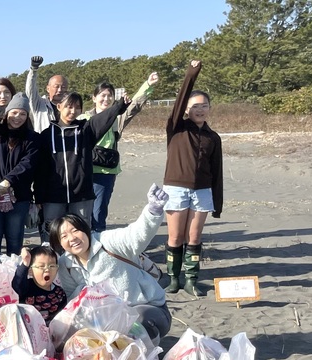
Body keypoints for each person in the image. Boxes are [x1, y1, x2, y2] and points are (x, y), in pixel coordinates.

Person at [51, 184, 172, 342]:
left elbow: (135, 235)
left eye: (75, 230)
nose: (72, 238)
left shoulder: (107, 242)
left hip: (145, 308)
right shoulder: (65, 264)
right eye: (64, 236)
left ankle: (146, 356)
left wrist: (152, 211)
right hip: (104, 319)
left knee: (134, 326)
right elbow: (71, 300)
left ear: (85, 230)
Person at [163, 60, 223, 297]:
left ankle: (191, 280)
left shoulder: (213, 137)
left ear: (209, 108)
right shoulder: (177, 127)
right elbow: (180, 100)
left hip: (202, 191)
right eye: (195, 106)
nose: (200, 109)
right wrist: (191, 73)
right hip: (176, 189)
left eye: (204, 106)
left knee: (194, 236)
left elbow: (217, 173)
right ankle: (173, 280)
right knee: (176, 236)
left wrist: (217, 204)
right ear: (187, 109)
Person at [35, 91, 129, 238]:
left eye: (77, 107)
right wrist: (39, 197)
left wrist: (120, 105)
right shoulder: (46, 136)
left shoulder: (85, 130)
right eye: (69, 107)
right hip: (52, 197)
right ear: (59, 106)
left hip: (82, 196)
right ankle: (53, 261)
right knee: (52, 237)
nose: (73, 111)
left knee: (81, 236)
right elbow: (40, 170)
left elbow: (103, 119)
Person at [81, 73, 160, 231]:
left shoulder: (117, 118)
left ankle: (98, 246)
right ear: (94, 97)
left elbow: (134, 105)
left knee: (98, 214)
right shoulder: (83, 118)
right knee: (81, 215)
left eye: (110, 96)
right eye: (102, 95)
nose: (106, 99)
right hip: (83, 172)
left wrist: (148, 85)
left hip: (105, 172)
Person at [0, 83, 39, 256]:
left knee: (15, 238)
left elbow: (28, 163)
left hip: (19, 196)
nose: (17, 117)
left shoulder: (32, 138)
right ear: (7, 112)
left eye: (22, 114)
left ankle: (13, 276)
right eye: (14, 112)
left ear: (27, 116)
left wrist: (8, 180)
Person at [13, 246, 67, 322]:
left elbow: (63, 315)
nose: (47, 269)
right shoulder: (27, 287)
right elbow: (17, 284)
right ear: (30, 271)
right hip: (28, 327)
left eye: (52, 266)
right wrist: (25, 264)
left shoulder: (59, 293)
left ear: (57, 269)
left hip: (51, 329)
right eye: (41, 266)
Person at [25, 56, 68, 133]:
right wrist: (33, 69)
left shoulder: (69, 107)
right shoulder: (39, 104)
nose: (60, 90)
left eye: (63, 87)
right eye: (56, 86)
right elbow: (30, 90)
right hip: (43, 143)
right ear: (48, 88)